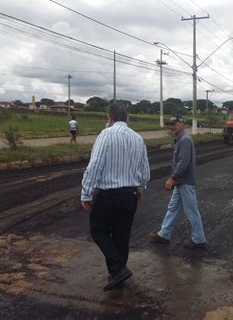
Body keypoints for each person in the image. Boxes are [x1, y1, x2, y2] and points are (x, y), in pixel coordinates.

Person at [80, 103, 150, 292]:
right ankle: (118, 274)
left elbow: (95, 165)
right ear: (126, 119)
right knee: (122, 235)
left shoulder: (107, 134)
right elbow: (144, 169)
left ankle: (118, 269)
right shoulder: (138, 138)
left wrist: (86, 193)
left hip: (108, 195)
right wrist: (140, 187)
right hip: (130, 195)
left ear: (110, 118)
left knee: (98, 230)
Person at [149, 116, 206, 249]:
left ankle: (199, 239)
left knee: (191, 211)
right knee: (173, 208)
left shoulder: (185, 140)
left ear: (182, 125)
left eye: (175, 124)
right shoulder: (180, 139)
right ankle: (164, 234)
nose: (172, 126)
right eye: (171, 124)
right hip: (181, 182)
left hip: (184, 181)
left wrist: (172, 178)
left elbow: (183, 162)